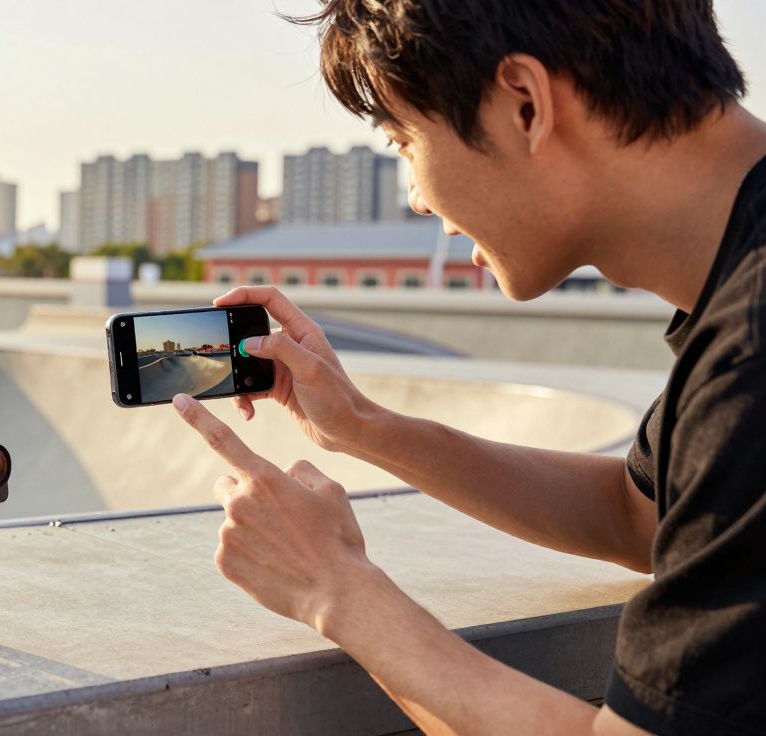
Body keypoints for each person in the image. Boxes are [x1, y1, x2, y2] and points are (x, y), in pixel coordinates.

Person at [170, 1, 766, 734]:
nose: (420, 200)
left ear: (524, 104)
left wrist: (335, 589)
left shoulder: (751, 355)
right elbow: (640, 515)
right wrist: (360, 427)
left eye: (402, 140)